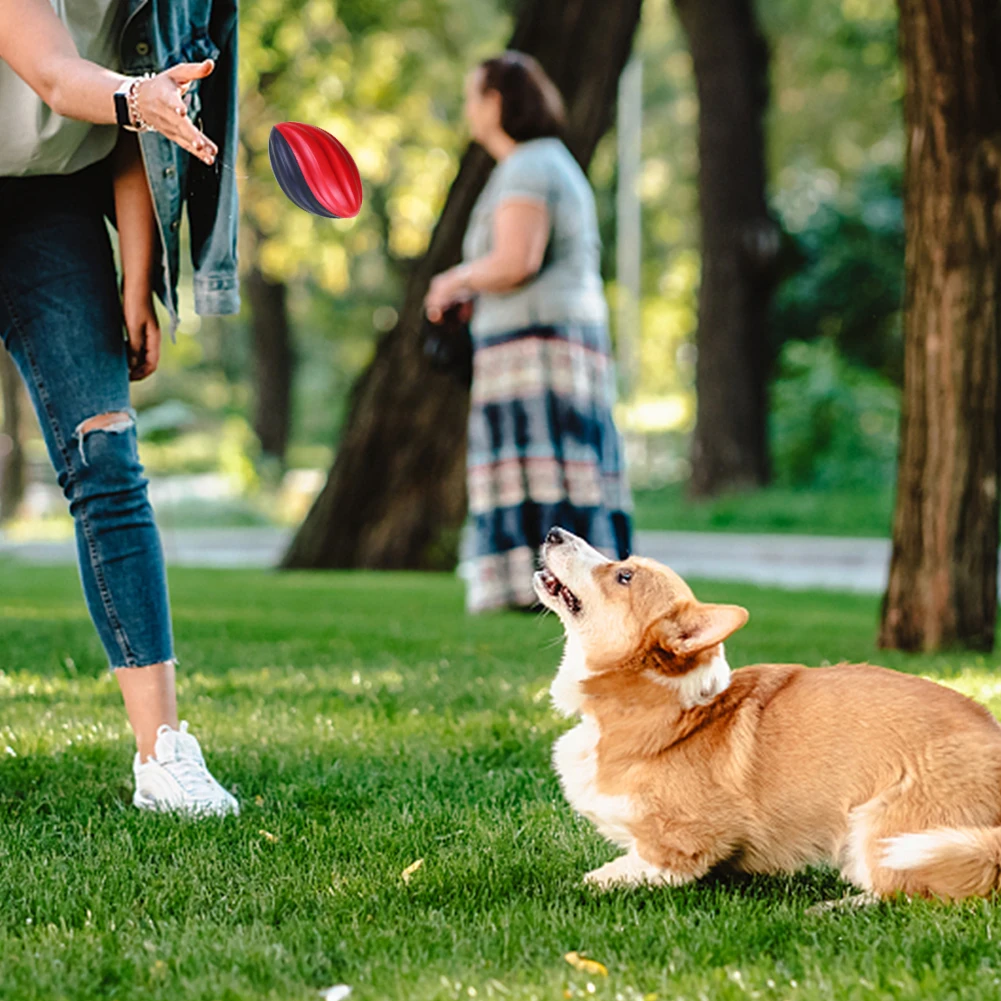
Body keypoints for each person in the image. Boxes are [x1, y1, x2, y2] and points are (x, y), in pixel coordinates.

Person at [0, 0, 240, 814]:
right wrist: (141, 97)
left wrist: (137, 279)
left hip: (55, 209)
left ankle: (163, 754)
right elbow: (57, 75)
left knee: (108, 458)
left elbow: (141, 119)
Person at [425, 51, 633, 613]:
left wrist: (453, 281)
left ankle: (537, 591)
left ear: (496, 102)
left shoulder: (528, 167)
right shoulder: (542, 163)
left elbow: (517, 259)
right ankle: (571, 590)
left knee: (540, 471)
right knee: (565, 470)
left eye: (474, 95)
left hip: (538, 347)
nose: (469, 108)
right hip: (544, 335)